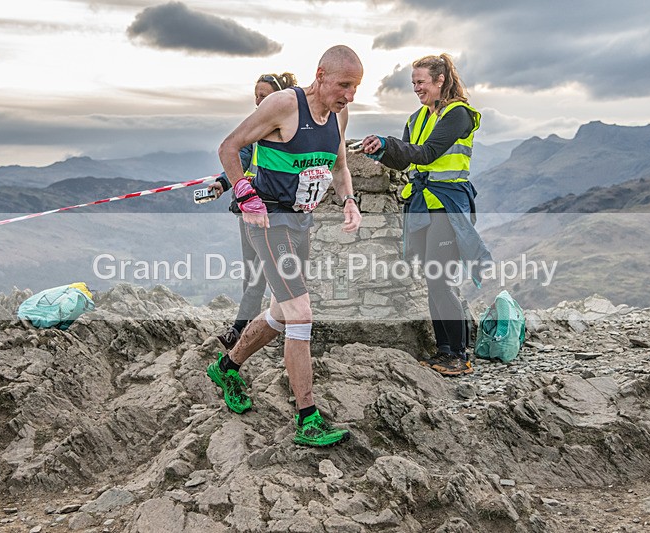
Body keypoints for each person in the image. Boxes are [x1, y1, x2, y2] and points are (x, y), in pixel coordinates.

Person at [210, 45, 362, 447]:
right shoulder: (283, 105)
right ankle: (307, 418)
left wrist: (349, 200)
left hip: (300, 222)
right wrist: (245, 193)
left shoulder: (339, 115)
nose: (349, 95)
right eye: (344, 85)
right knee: (301, 314)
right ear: (320, 75)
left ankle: (227, 366)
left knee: (280, 313)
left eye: (356, 87)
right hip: (268, 220)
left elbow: (341, 165)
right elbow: (229, 147)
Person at [357, 53, 492, 376]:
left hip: (447, 205)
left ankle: (458, 354)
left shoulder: (458, 115)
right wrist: (382, 151)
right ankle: (444, 350)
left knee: (441, 279)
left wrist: (388, 143)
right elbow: (406, 161)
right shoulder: (416, 118)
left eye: (421, 82)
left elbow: (430, 152)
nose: (416, 88)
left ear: (440, 80)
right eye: (413, 83)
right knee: (433, 279)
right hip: (422, 205)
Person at [208, 72, 298, 350]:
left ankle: (252, 330)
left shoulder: (289, 130)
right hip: (251, 210)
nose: (259, 101)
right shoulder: (255, 128)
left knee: (274, 275)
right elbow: (242, 157)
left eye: (265, 96)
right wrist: (223, 183)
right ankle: (244, 329)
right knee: (253, 274)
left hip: (279, 213)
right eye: (256, 95)